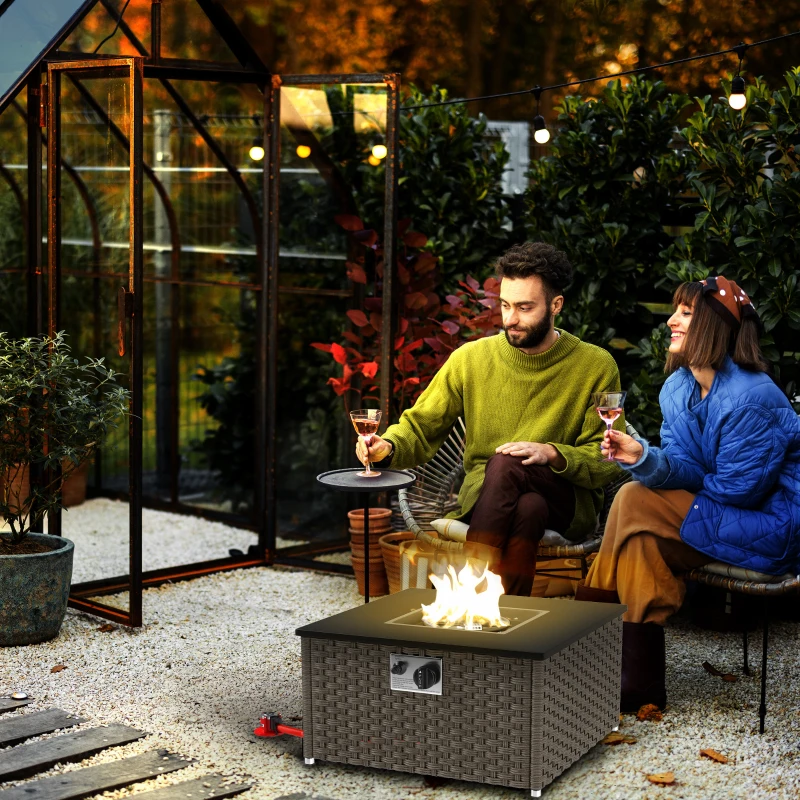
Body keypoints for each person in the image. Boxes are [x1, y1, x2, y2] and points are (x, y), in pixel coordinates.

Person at [576, 276, 800, 712]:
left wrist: (660, 482)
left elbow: (740, 492)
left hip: (770, 526)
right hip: (716, 519)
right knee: (641, 540)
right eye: (674, 310)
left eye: (685, 312)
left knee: (634, 500)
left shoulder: (752, 397)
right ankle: (637, 688)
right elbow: (687, 466)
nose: (671, 322)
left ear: (714, 326)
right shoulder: (677, 388)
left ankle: (584, 640)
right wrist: (643, 456)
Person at [356, 241, 624, 596]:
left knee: (506, 462)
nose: (511, 318)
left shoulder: (595, 365)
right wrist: (386, 446)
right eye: (505, 305)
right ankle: (503, 617)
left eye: (525, 307)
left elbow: (608, 458)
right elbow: (421, 426)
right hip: (488, 501)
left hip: (567, 500)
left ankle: (467, 590)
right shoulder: (472, 359)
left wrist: (553, 453)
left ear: (556, 305)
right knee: (528, 508)